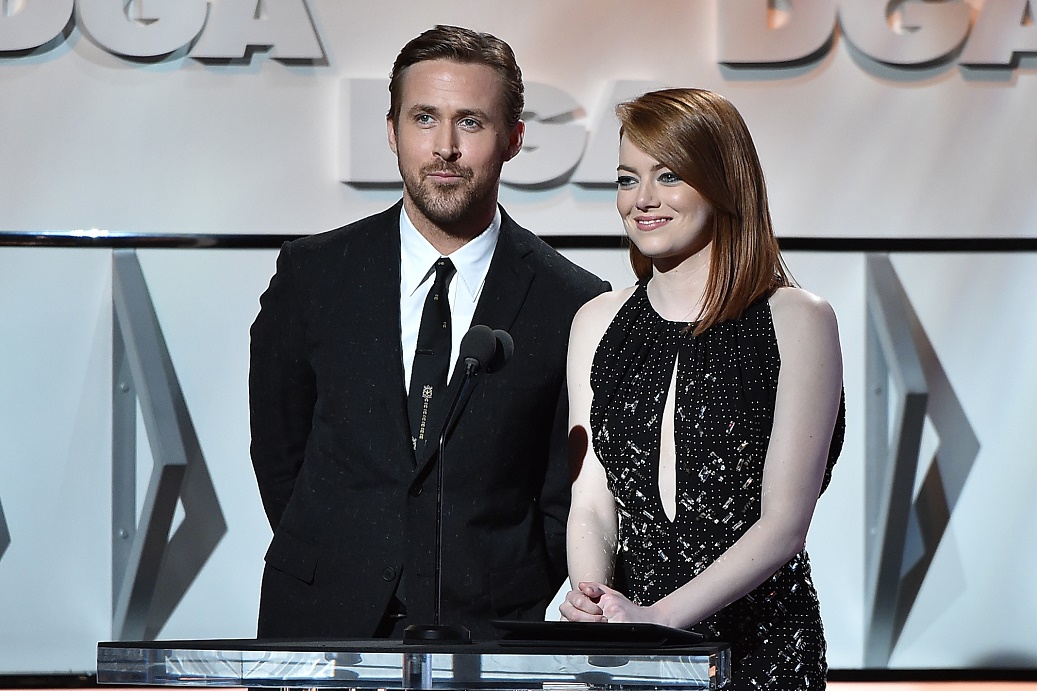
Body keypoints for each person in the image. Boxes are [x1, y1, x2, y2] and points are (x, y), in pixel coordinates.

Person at [249, 25, 608, 641]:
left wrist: (505, 589)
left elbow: (564, 493)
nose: (444, 147)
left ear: (514, 139)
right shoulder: (313, 274)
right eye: (424, 118)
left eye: (470, 122)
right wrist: (338, 562)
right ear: (392, 131)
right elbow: (279, 450)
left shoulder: (572, 301)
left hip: (485, 635)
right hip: (318, 625)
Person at [560, 88, 845, 689]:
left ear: (721, 183)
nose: (642, 199)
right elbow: (590, 501)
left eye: (668, 175)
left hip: (759, 657)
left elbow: (783, 525)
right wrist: (595, 600)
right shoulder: (596, 323)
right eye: (627, 179)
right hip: (630, 654)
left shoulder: (798, 320)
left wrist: (658, 621)